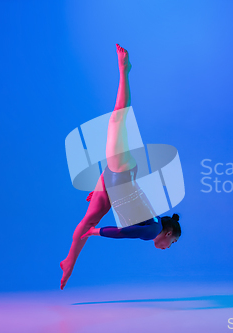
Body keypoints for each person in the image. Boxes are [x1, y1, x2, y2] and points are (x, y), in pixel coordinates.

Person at [60, 44, 181, 290]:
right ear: (168, 234)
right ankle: (124, 71)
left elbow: (131, 205)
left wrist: (101, 189)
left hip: (115, 181)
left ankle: (69, 262)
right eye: (173, 242)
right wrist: (98, 233)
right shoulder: (153, 229)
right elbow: (123, 232)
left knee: (84, 224)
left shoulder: (155, 221)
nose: (167, 248)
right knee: (118, 117)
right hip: (121, 172)